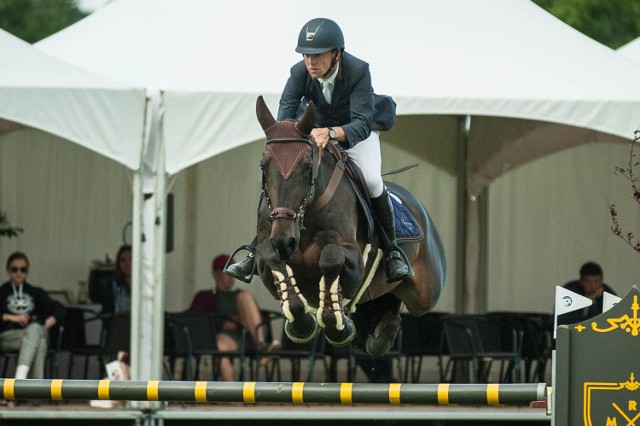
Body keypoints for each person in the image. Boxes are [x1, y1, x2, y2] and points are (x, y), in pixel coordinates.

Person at [226, 17, 412, 284]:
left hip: (357, 130)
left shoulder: (358, 70)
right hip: (314, 130)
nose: (310, 62)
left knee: (371, 178)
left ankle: (393, 251)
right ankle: (255, 249)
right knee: (282, 175)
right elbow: (285, 118)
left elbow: (360, 122)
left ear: (337, 53)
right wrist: (294, 136)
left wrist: (332, 133)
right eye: (306, 55)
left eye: (318, 55)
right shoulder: (299, 72)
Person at [189, 254, 279, 381]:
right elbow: (195, 320)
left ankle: (262, 346)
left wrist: (238, 321)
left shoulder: (240, 295)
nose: (232, 275)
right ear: (215, 274)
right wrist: (223, 324)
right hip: (228, 337)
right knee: (219, 346)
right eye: (227, 270)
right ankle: (231, 396)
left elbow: (260, 318)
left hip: (250, 335)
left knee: (244, 296)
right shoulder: (205, 296)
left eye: (234, 270)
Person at [0, 252, 66, 380]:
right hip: (8, 336)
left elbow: (60, 308)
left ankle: (19, 382)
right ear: (8, 270)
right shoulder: (2, 292)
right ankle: (33, 395)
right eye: (14, 269)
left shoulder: (36, 292)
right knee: (39, 342)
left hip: (33, 332)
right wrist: (11, 317)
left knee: (35, 330)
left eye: (23, 269)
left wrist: (51, 320)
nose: (19, 273)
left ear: (27, 272)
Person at [98, 244, 132, 315]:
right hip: (118, 324)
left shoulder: (145, 285)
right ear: (118, 264)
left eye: (130, 259)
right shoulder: (112, 285)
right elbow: (107, 313)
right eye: (123, 260)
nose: (127, 263)